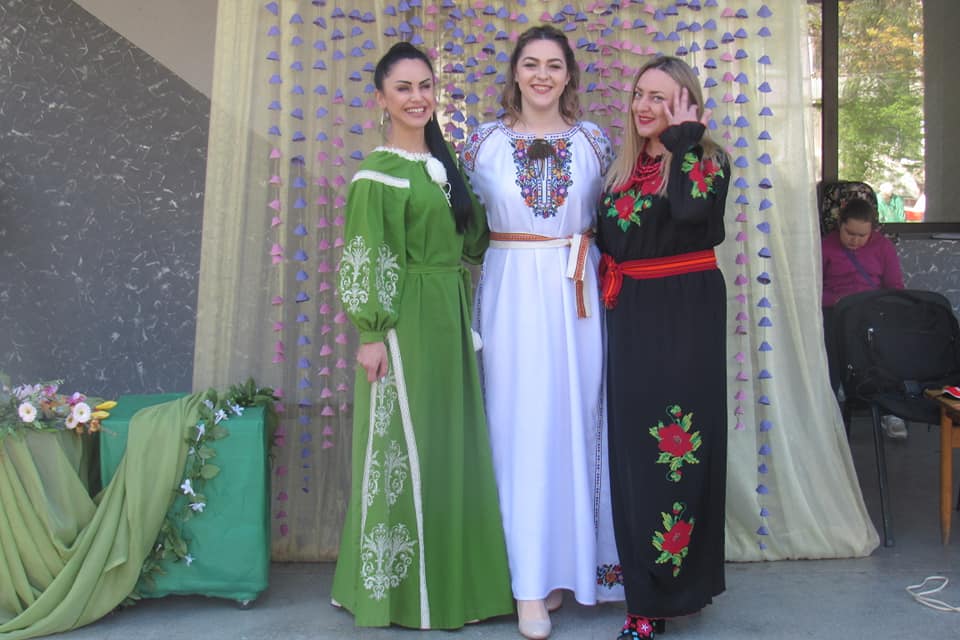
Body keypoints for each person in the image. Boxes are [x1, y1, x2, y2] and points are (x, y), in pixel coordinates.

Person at [330, 41, 514, 629]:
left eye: (425, 85)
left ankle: (458, 587)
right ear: (381, 99)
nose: (417, 97)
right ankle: (397, 594)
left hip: (449, 318)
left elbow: (475, 240)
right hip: (404, 323)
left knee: (449, 448)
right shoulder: (377, 175)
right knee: (403, 450)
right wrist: (371, 333)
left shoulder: (445, 164)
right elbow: (367, 254)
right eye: (403, 87)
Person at [461, 24, 623, 640]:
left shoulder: (594, 141)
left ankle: (560, 566)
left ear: (569, 75)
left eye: (554, 65)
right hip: (511, 294)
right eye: (531, 64)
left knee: (572, 423)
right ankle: (524, 580)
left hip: (576, 294)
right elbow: (461, 225)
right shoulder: (482, 143)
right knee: (517, 427)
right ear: (515, 72)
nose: (542, 76)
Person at [595, 56, 730, 639]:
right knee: (634, 456)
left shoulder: (706, 160)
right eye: (640, 95)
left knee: (678, 454)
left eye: (662, 98)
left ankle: (662, 598)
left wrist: (684, 139)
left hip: (685, 321)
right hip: (630, 317)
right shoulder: (622, 168)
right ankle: (645, 590)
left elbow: (693, 212)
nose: (645, 107)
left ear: (687, 105)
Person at [821, 197, 906, 438]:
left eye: (862, 235)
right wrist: (836, 300)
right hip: (836, 312)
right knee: (830, 352)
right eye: (850, 233)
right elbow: (812, 289)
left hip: (872, 311)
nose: (855, 240)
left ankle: (892, 410)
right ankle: (828, 413)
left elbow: (895, 287)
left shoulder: (883, 247)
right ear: (840, 224)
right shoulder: (825, 247)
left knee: (889, 351)